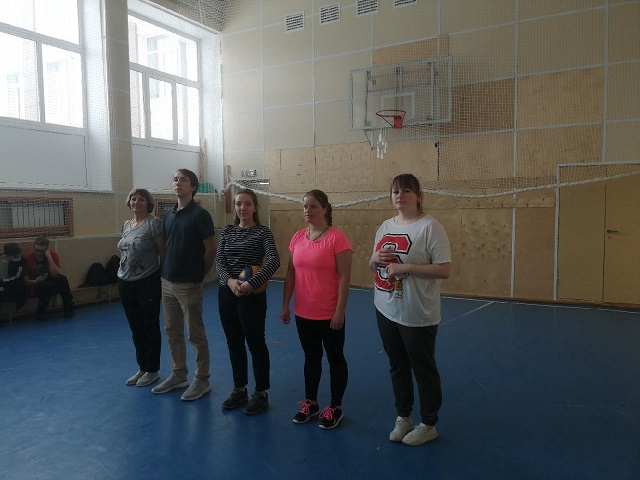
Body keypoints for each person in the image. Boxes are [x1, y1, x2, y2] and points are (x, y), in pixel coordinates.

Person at [368, 173, 452, 446]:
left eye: (406, 190)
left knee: (423, 369)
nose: (400, 195)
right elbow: (373, 265)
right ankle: (403, 416)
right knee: (397, 365)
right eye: (395, 191)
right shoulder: (385, 226)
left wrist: (406, 267)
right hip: (385, 308)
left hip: (417, 313)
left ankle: (428, 424)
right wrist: (374, 258)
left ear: (418, 195)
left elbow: (444, 270)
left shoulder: (430, 227)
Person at [280, 190, 352, 429]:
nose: (308, 211)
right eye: (305, 206)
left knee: (335, 358)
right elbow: (290, 273)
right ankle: (311, 403)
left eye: (312, 206)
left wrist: (339, 310)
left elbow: (344, 277)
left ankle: (335, 407)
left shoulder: (337, 239)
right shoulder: (297, 237)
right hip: (303, 313)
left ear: (324, 209)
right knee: (311, 358)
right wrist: (286, 304)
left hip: (329, 313)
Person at [152, 169, 216, 402]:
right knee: (172, 331)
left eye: (183, 180)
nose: (178, 183)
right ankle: (179, 374)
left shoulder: (200, 215)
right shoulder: (167, 216)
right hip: (167, 282)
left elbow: (211, 250)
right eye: (175, 180)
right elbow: (165, 248)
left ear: (193, 186)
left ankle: (202, 379)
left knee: (195, 333)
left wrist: (199, 276)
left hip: (189, 283)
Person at [216, 188, 280, 415]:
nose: (242, 208)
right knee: (234, 342)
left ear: (255, 207)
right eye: (238, 204)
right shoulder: (227, 231)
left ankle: (261, 392)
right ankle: (239, 389)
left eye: (247, 204)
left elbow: (274, 260)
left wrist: (251, 284)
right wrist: (230, 281)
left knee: (255, 343)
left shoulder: (263, 232)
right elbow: (219, 261)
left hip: (251, 295)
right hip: (227, 293)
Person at [117, 189, 165, 388]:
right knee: (136, 327)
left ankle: (152, 369)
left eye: (141, 199)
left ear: (148, 203)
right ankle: (142, 366)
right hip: (125, 281)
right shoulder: (126, 225)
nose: (136, 202)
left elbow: (163, 252)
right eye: (133, 199)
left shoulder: (154, 224)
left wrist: (162, 279)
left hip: (147, 280)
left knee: (149, 325)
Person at [24, 237, 74, 320]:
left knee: (61, 279)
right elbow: (25, 280)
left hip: (52, 283)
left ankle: (68, 308)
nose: (38, 253)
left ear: (46, 250)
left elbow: (56, 274)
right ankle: (40, 313)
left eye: (42, 251)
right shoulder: (27, 258)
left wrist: (49, 257)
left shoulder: (52, 255)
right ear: (33, 247)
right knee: (46, 285)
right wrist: (36, 281)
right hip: (36, 284)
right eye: (36, 250)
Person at [0, 243, 28, 309]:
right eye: (16, 255)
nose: (19, 256)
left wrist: (1, 281)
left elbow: (17, 278)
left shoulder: (22, 261)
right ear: (8, 255)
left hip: (11, 287)